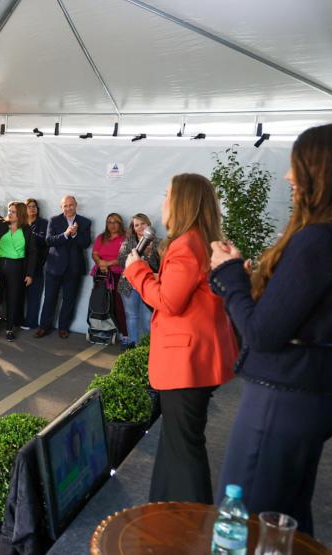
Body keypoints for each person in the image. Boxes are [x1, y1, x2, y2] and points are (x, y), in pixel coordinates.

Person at [208, 122, 332, 535]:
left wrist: (228, 276)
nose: (288, 177)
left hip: (283, 395)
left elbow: (260, 334)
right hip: (315, 387)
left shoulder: (318, 240)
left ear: (323, 173)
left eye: (298, 167)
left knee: (243, 521)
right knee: (285, 521)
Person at [123, 173, 238, 504]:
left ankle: (191, 523)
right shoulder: (203, 240)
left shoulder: (186, 244)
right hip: (196, 360)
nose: (163, 201)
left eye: (167, 194)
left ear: (182, 202)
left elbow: (168, 301)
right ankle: (163, 509)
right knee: (178, 441)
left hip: (186, 364)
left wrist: (137, 270)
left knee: (184, 446)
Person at [38, 195, 92, 338]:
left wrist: (75, 235)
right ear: (61, 207)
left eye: (71, 205)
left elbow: (86, 243)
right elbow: (49, 241)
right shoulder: (54, 220)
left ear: (76, 205)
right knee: (49, 298)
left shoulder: (85, 222)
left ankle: (63, 328)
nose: (68, 208)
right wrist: (66, 234)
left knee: (69, 300)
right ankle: (44, 326)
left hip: (74, 268)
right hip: (54, 268)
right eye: (65, 205)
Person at [0, 201, 37, 342]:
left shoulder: (27, 229)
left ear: (20, 214)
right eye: (9, 210)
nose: (9, 213)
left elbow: (32, 253)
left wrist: (30, 274)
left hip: (17, 267)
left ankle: (9, 329)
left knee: (13, 299)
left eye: (13, 211)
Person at [116, 214, 160, 349]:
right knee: (132, 316)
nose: (140, 227)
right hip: (129, 285)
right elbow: (122, 261)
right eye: (136, 225)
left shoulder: (158, 242)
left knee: (147, 318)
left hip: (149, 284)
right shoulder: (128, 241)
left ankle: (145, 348)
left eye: (143, 224)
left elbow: (160, 265)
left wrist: (149, 253)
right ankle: (133, 347)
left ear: (148, 225)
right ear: (133, 228)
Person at [91, 213, 127, 339]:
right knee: (101, 304)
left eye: (115, 222)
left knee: (119, 306)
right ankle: (104, 330)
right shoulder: (101, 237)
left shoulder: (126, 237)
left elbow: (124, 257)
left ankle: (124, 335)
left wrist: (107, 263)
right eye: (109, 222)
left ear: (120, 223)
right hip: (101, 275)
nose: (112, 225)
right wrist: (100, 263)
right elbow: (94, 254)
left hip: (118, 275)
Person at [23, 198, 48, 330]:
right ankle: (17, 319)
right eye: (29, 206)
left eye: (34, 206)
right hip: (20, 264)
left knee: (34, 295)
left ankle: (31, 322)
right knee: (19, 295)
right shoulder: (21, 223)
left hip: (36, 265)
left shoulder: (43, 223)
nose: (32, 208)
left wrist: (28, 233)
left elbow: (44, 240)